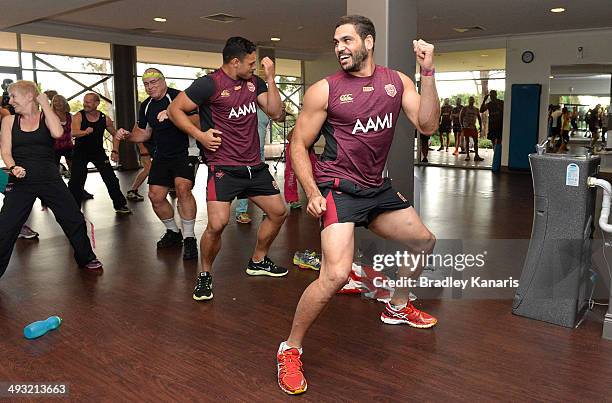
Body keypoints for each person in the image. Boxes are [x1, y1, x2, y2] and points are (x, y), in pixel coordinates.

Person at [277, 15, 439, 395]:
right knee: (335, 274)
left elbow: (428, 125)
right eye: (336, 42)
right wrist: (312, 192)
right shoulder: (325, 90)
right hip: (340, 190)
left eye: (347, 40)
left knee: (424, 242)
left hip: (377, 189)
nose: (339, 48)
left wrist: (428, 72)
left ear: (369, 42)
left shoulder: (397, 82)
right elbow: (297, 145)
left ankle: (398, 306)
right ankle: (290, 348)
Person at [169, 36, 288, 301]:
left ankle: (258, 260)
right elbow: (175, 109)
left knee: (279, 212)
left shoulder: (254, 82)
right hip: (223, 167)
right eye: (251, 63)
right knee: (217, 224)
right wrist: (199, 135)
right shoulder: (209, 84)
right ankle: (205, 275)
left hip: (254, 167)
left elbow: (276, 112)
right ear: (235, 62)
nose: (254, 67)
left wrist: (270, 79)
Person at [0, 80, 101, 278]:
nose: (10, 101)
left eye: (14, 96)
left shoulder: (47, 116)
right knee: (6, 226)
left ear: (30, 96)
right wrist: (13, 167)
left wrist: (45, 103)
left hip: (50, 179)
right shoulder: (9, 121)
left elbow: (57, 132)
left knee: (73, 219)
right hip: (21, 181)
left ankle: (86, 257)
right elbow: (5, 151)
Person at [116, 68, 199, 260]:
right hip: (161, 155)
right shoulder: (146, 106)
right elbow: (143, 133)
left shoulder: (178, 97)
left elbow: (198, 120)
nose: (150, 86)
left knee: (182, 188)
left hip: (186, 151)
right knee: (155, 195)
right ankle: (173, 232)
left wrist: (174, 114)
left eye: (154, 82)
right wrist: (128, 135)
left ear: (163, 81)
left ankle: (189, 237)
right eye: (146, 84)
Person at [68, 93, 131, 214]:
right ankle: (74, 210)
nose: (85, 104)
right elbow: (73, 132)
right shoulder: (79, 116)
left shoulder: (104, 118)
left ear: (97, 103)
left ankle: (120, 205)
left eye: (89, 102)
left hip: (98, 153)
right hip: (80, 153)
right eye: (84, 101)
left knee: (111, 179)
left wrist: (115, 151)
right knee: (77, 181)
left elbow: (116, 135)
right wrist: (85, 132)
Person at [234, 106, 271, 223]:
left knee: (263, 179)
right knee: (244, 180)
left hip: (259, 153)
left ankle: (266, 207)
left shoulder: (266, 109)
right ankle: (241, 211)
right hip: (245, 152)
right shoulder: (243, 108)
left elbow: (280, 117)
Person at [459, 96, 483, 161]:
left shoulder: (476, 109)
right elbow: (460, 117)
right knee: (467, 141)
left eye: (472, 100)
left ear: (474, 101)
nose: (471, 101)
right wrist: (462, 125)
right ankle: (467, 156)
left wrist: (481, 126)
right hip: (466, 127)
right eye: (470, 100)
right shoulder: (465, 108)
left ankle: (476, 155)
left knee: (476, 141)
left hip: (473, 127)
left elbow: (479, 118)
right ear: (468, 101)